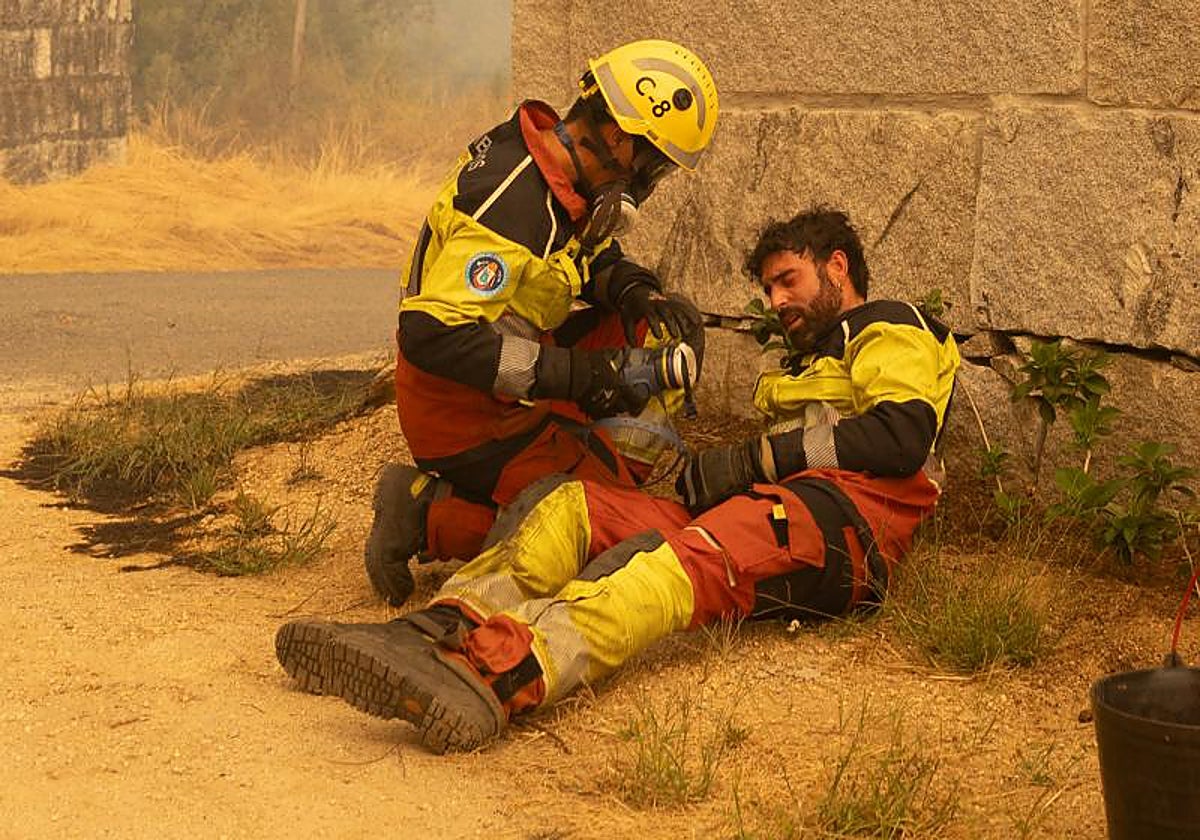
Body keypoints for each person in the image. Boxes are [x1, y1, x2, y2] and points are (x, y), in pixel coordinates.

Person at [276, 208, 961, 753]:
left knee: (671, 567)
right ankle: (440, 628)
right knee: (576, 507)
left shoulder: (889, 324)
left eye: (789, 280)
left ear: (837, 264)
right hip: (783, 511)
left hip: (850, 526)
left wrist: (753, 462)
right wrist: (721, 480)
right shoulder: (808, 362)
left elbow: (900, 440)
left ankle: (498, 674)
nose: (777, 300)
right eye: (770, 289)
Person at [366, 39, 720, 607]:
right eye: (653, 167)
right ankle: (429, 513)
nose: (650, 185)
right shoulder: (513, 207)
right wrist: (581, 376)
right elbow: (431, 335)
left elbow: (567, 257)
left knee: (655, 334)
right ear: (619, 140)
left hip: (516, 376)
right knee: (596, 524)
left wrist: (630, 288)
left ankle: (574, 463)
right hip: (462, 414)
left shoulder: (555, 169)